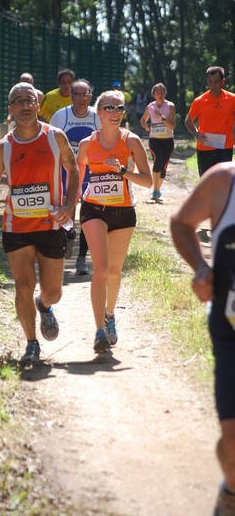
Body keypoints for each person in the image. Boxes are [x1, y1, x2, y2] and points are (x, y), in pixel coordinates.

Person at [0, 82, 79, 366]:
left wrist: (68, 206)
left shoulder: (56, 138)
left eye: (29, 101)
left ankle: (45, 306)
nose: (25, 106)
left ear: (38, 105)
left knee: (53, 292)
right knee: (23, 285)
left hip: (51, 225)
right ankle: (31, 343)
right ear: (10, 109)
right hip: (17, 227)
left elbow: (73, 172)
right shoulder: (3, 147)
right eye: (18, 102)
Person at [170, 162, 235, 516]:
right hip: (230, 328)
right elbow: (181, 223)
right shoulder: (224, 180)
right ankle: (231, 489)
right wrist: (200, 266)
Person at [77, 90, 152, 353]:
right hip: (93, 209)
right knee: (99, 268)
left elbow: (147, 180)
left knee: (114, 271)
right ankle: (98, 330)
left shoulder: (131, 142)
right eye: (109, 108)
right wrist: (68, 202)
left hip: (122, 213)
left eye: (120, 108)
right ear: (98, 112)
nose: (115, 113)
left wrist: (122, 171)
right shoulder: (87, 144)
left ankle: (110, 315)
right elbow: (78, 175)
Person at [50, 78, 100, 275]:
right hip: (65, 171)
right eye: (76, 94)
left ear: (90, 96)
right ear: (71, 96)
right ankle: (69, 236)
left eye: (84, 94)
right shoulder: (60, 117)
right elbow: (50, 145)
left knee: (88, 214)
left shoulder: (97, 117)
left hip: (90, 171)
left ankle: (81, 260)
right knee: (67, 210)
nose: (81, 98)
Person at [184, 66, 235, 176]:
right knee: (206, 181)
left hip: (225, 147)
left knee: (224, 183)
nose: (213, 86)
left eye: (216, 82)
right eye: (210, 82)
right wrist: (196, 134)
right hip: (205, 147)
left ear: (222, 82)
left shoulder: (232, 99)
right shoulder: (200, 101)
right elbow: (188, 121)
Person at [140, 82, 176, 202]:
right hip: (154, 140)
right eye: (157, 92)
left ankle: (158, 190)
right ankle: (155, 191)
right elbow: (143, 120)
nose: (159, 94)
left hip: (167, 140)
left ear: (165, 93)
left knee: (164, 166)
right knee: (157, 161)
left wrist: (162, 118)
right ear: (153, 94)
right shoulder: (150, 107)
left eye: (162, 92)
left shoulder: (170, 106)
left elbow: (171, 126)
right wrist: (146, 126)